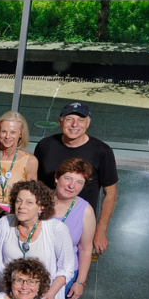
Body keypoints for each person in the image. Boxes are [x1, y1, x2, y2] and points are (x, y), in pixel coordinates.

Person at [34, 102, 118, 257]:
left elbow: (110, 193)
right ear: (60, 122)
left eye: (80, 120)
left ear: (88, 123)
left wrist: (100, 229)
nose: (74, 124)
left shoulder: (102, 151)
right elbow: (37, 184)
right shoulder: (45, 146)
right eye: (69, 119)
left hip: (81, 224)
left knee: (76, 271)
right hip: (48, 219)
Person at [0, 181, 74, 299]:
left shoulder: (57, 229)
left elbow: (66, 268)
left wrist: (50, 294)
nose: (21, 206)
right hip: (4, 294)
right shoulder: (4, 223)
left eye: (29, 202)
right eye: (18, 201)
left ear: (41, 207)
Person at [51, 158, 97, 299]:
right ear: (57, 178)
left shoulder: (85, 211)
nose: (72, 186)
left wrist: (80, 282)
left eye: (79, 182)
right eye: (68, 178)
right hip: (35, 272)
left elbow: (85, 249)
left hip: (66, 274)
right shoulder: (38, 201)